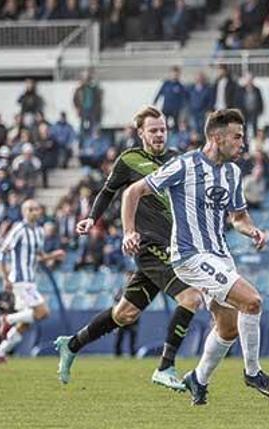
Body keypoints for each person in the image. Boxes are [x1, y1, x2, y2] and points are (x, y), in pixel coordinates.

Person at [121, 108, 269, 405]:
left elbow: (238, 217)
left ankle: (198, 379)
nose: (243, 143)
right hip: (190, 256)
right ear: (217, 137)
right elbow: (133, 192)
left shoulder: (233, 172)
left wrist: (251, 230)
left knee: (228, 327)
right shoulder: (185, 165)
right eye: (237, 137)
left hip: (220, 255)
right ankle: (253, 372)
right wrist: (129, 231)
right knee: (253, 301)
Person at [54, 106, 203, 390]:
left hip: (173, 246)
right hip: (148, 244)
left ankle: (72, 344)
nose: (160, 135)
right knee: (191, 297)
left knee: (125, 314)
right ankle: (166, 367)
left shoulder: (176, 159)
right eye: (154, 130)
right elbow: (108, 192)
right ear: (141, 133)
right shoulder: (129, 160)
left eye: (163, 130)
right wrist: (91, 219)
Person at [0, 200, 65, 363]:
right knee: (43, 312)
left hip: (30, 280)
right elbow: (3, 251)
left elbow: (40, 256)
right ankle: (7, 319)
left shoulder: (39, 231)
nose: (34, 212)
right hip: (20, 280)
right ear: (24, 212)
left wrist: (54, 255)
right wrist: (6, 277)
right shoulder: (19, 229)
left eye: (36, 209)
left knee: (25, 324)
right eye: (30, 209)